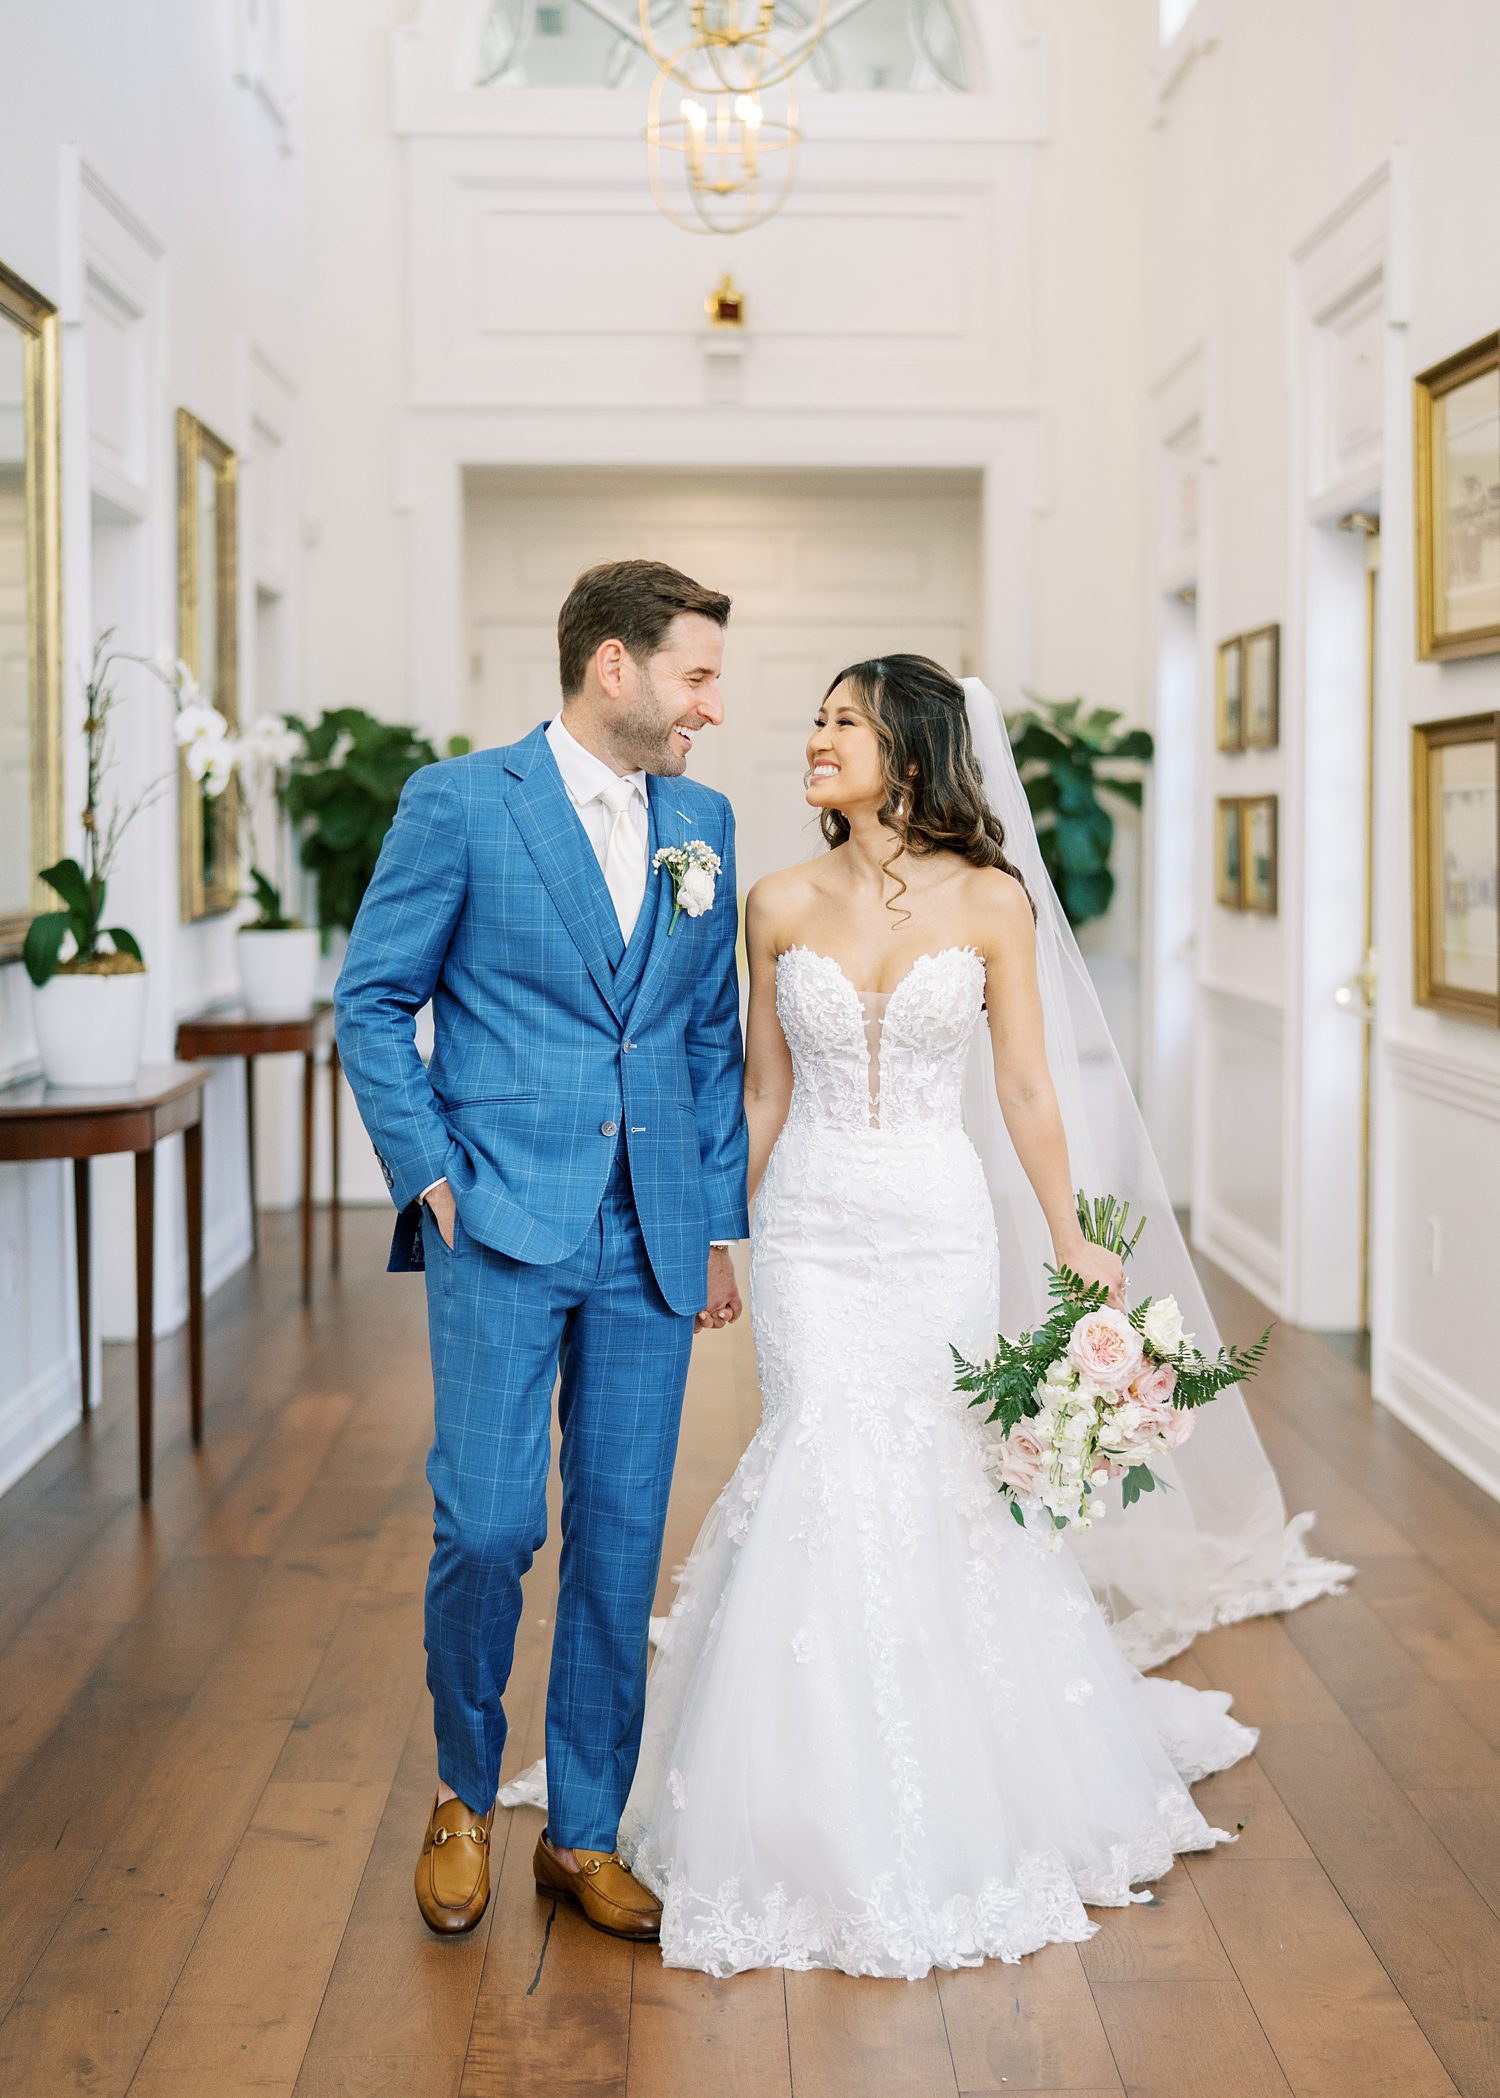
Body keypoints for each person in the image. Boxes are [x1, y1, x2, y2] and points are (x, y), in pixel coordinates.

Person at [503, 652, 1348, 1979]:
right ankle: (796, 1791)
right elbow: (763, 1092)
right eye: (822, 720)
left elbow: (1022, 1087)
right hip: (811, 1236)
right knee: (822, 1456)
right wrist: (721, 1230)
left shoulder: (995, 899)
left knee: (938, 1470)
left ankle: (968, 1785)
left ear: (910, 747)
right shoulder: (774, 900)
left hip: (939, 1225)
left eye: (845, 721)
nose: (816, 737)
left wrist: (1070, 1234)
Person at [334, 559, 749, 1941]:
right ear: (614, 667)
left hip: (652, 1235)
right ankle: (462, 1792)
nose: (715, 703)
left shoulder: (705, 820)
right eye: (696, 673)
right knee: (493, 1523)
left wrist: (717, 1219)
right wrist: (430, 1174)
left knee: (622, 1539)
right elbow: (374, 1000)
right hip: (500, 1220)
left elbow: (701, 1037)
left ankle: (582, 1828)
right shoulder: (459, 803)